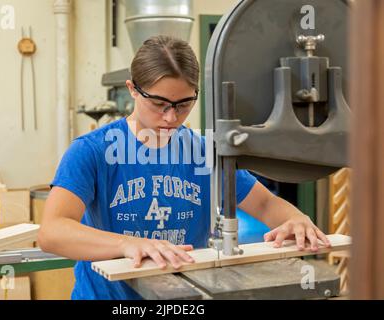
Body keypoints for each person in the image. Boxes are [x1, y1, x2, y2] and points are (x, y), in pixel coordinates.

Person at [38, 35, 331, 300]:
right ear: (133, 90)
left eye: (183, 104)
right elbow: (53, 232)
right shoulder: (92, 151)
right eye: (159, 103)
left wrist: (295, 218)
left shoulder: (203, 153)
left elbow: (265, 204)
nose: (170, 117)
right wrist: (128, 244)